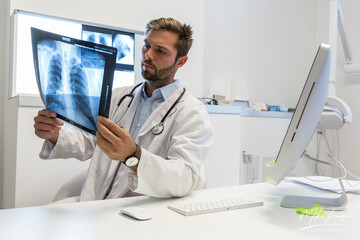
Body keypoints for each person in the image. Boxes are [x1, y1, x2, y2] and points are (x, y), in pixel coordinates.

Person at [34, 17, 213, 202]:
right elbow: (91, 141)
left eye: (160, 51)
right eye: (146, 45)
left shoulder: (192, 113)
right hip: (96, 203)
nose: (148, 55)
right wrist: (54, 134)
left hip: (142, 213)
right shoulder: (119, 97)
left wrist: (133, 155)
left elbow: (183, 178)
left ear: (181, 61)